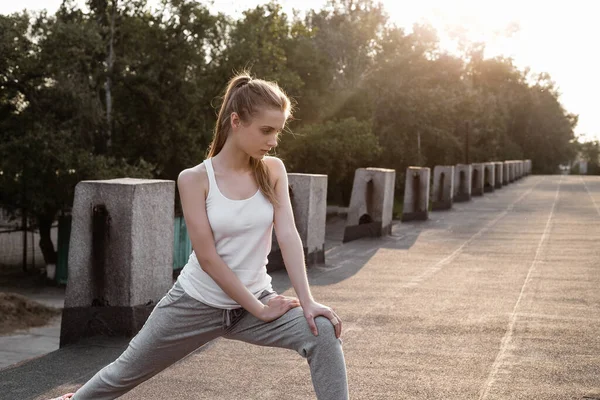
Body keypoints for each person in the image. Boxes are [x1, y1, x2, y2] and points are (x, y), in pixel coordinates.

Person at [51, 72, 348, 400]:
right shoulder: (194, 179)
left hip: (256, 299)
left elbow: (289, 235)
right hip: (195, 303)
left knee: (321, 331)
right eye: (266, 130)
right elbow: (207, 258)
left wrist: (307, 302)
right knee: (122, 373)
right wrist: (259, 309)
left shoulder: (273, 170)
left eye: (277, 131)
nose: (274, 141)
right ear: (236, 121)